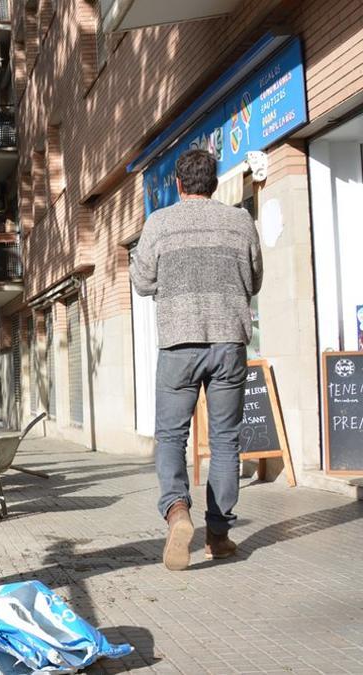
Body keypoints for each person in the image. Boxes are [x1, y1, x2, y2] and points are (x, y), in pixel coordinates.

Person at [131, 148, 263, 571]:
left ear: (178, 184)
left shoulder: (160, 223)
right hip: (229, 342)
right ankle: (219, 536)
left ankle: (177, 512)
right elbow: (254, 277)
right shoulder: (240, 221)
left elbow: (142, 280)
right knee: (225, 441)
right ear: (215, 180)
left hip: (178, 344)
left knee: (171, 437)